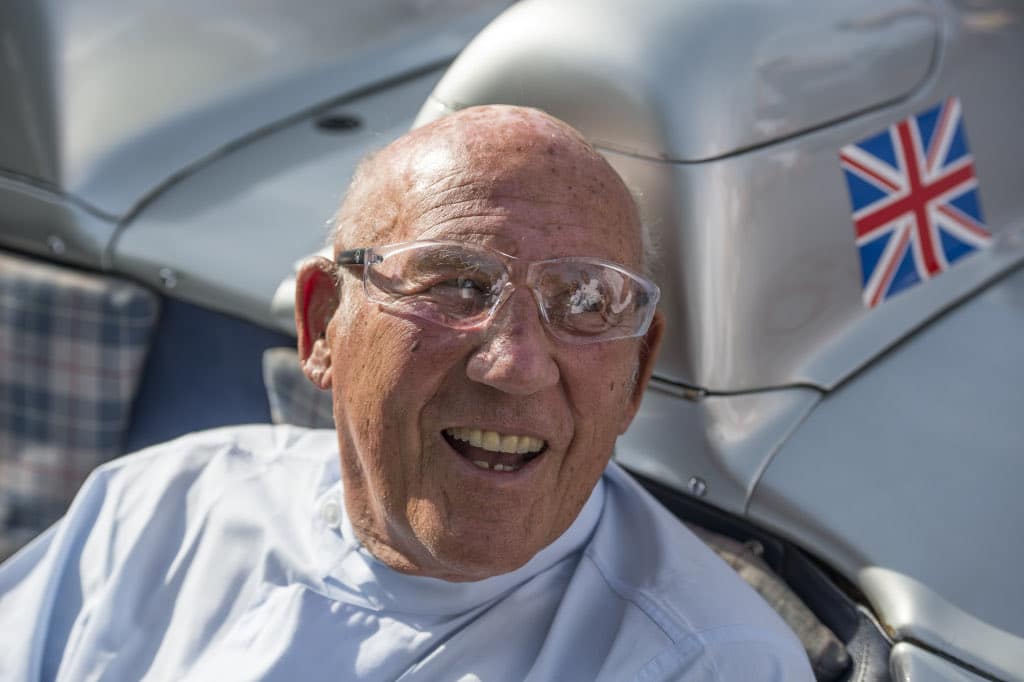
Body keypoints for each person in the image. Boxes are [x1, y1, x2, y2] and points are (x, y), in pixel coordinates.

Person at [0, 106, 813, 680]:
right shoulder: (161, 510)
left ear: (635, 375)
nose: (517, 363)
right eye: (457, 284)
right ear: (323, 327)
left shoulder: (703, 661)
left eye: (587, 304)